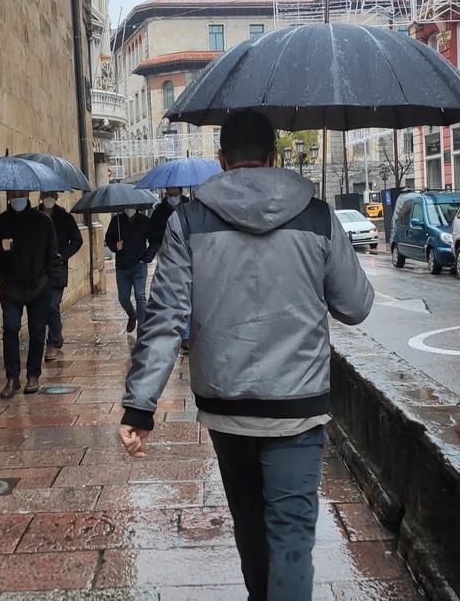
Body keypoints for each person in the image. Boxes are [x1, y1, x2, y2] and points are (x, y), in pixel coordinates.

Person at [118, 111, 374, 601]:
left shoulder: (189, 220)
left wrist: (140, 406)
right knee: (293, 538)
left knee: (251, 531)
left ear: (220, 160)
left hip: (227, 406)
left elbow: (165, 317)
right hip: (298, 407)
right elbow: (356, 306)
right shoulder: (317, 215)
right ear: (275, 157)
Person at [0, 190, 59, 399]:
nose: (17, 195)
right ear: (8, 194)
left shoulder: (43, 221)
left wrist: (51, 282)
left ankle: (33, 375)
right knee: (10, 328)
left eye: (21, 192)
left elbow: (52, 253)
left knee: (37, 330)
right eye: (13, 192)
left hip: (39, 286)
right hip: (11, 287)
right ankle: (12, 377)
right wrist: (2, 248)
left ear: (28, 193)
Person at [38, 191, 84, 362]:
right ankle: (56, 333)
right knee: (43, 308)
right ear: (41, 195)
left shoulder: (65, 218)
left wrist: (62, 255)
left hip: (57, 269)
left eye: (52, 193)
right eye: (46, 193)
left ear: (57, 196)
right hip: (38, 270)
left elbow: (77, 240)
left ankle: (52, 343)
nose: (49, 196)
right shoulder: (34, 216)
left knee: (52, 304)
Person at [148, 187, 191, 349]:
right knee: (172, 293)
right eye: (169, 192)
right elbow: (152, 233)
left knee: (188, 292)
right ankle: (176, 327)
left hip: (188, 254)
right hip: (167, 255)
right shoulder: (159, 211)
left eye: (175, 192)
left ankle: (186, 334)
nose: (172, 194)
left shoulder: (189, 206)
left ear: (180, 190)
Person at [105, 204, 156, 334]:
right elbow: (109, 239)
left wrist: (146, 258)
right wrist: (115, 246)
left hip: (139, 265)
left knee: (140, 296)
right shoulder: (116, 221)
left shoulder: (145, 221)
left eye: (132, 205)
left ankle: (143, 328)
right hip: (122, 266)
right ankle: (132, 315)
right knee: (123, 298)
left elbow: (154, 242)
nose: (129, 207)